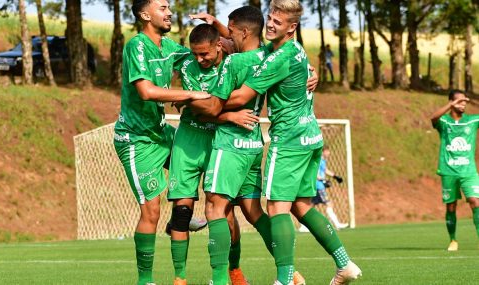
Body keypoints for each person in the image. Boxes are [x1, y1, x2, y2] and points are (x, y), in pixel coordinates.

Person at [223, 1, 362, 284]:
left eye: (278, 21)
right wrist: (219, 26)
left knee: (277, 208)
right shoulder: (295, 51)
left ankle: (285, 280)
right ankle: (345, 265)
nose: (271, 24)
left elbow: (239, 98)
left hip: (289, 141)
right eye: (270, 18)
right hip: (310, 136)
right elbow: (247, 41)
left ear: (292, 27)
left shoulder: (278, 59)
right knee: (302, 205)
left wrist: (199, 101)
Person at [112, 1, 211, 285]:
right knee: (150, 211)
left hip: (160, 132)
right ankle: (146, 281)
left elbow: (210, 51)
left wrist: (214, 25)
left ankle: (178, 218)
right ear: (145, 15)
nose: (169, 12)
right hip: (136, 139)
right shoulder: (137, 46)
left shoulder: (169, 47)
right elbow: (146, 91)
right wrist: (190, 95)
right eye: (163, 7)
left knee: (197, 161)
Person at [166, 23, 251, 285]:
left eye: (204, 54)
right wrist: (229, 114)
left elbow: (268, 54)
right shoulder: (188, 67)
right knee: (181, 211)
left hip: (221, 140)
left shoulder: (235, 63)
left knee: (224, 212)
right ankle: (180, 278)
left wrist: (308, 70)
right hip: (190, 138)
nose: (199, 59)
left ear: (218, 46)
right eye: (195, 54)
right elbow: (205, 109)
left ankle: (232, 270)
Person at [430, 89, 479, 251]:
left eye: (465, 101)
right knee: (451, 206)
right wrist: (451, 104)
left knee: (475, 201)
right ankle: (453, 240)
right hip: (449, 171)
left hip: (469, 171)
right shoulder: (444, 122)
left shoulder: (472, 120)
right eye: (459, 101)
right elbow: (433, 118)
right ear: (452, 102)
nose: (463, 104)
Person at [306, 145, 348, 231]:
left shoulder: (323, 161)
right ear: (323, 152)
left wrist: (335, 176)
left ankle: (304, 227)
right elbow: (315, 173)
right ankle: (337, 224)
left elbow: (324, 170)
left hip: (317, 186)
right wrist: (324, 180)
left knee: (310, 206)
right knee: (329, 204)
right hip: (319, 186)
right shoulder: (318, 160)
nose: (329, 153)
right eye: (327, 151)